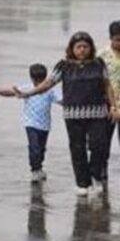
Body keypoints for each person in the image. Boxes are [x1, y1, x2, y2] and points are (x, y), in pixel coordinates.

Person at [18, 32, 118, 196]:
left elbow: (107, 85)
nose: (82, 50)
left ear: (91, 48)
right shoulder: (64, 66)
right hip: (73, 115)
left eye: (85, 47)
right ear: (72, 49)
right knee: (77, 148)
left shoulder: (99, 64)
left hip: (98, 114)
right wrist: (30, 93)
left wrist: (113, 106)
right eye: (78, 47)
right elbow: (48, 83)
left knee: (99, 146)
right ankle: (82, 183)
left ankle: (96, 177)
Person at [0, 63, 57, 182]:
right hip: (30, 124)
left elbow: (62, 99)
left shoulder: (49, 91)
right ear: (32, 78)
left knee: (41, 148)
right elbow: (11, 92)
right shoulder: (27, 88)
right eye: (36, 80)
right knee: (34, 147)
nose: (38, 83)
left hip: (45, 125)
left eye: (41, 80)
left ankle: (39, 167)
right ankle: (34, 170)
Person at [99, 20, 120, 156]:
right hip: (106, 103)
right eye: (118, 40)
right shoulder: (101, 55)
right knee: (103, 141)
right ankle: (101, 174)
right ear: (111, 38)